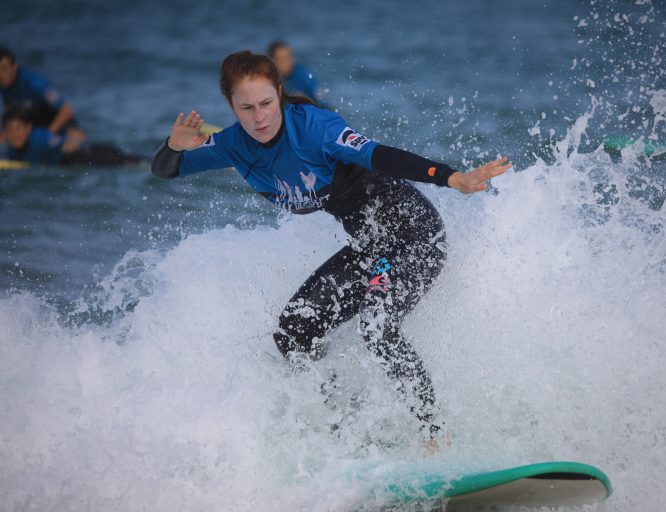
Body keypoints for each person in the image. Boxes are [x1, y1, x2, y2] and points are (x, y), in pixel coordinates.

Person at [151, 50, 510, 448]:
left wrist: (450, 177)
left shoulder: (315, 128)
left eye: (267, 103)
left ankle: (437, 434)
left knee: (378, 325)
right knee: (294, 332)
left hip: (414, 236)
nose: (260, 117)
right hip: (373, 248)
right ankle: (343, 430)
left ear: (281, 94)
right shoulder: (233, 145)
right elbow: (165, 169)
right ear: (231, 107)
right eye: (247, 107)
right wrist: (173, 144)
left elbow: (380, 154)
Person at [2, 105, 142, 166]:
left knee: (138, 163)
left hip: (93, 156)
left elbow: (64, 143)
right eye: (10, 130)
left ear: (28, 128)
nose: (14, 134)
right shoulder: (11, 148)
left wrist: (68, 143)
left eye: (18, 129)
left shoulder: (40, 138)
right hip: (86, 159)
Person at [0, 47, 86, 143]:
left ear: (14, 67)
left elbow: (66, 111)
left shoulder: (34, 83)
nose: (1, 74)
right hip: (35, 128)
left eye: (4, 69)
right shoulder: (4, 86)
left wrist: (45, 137)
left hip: (60, 127)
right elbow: (11, 116)